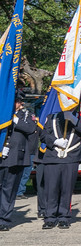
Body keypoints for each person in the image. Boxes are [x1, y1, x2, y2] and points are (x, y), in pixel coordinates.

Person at [38, 106, 81, 229]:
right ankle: (50, 217)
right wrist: (55, 141)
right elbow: (44, 135)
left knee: (67, 189)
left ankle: (64, 217)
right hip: (53, 157)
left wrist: (73, 119)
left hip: (71, 157)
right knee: (51, 189)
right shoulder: (52, 117)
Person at [0, 92, 38, 230]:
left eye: (19, 101)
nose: (19, 104)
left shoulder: (25, 115)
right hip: (1, 155)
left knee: (9, 189)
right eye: (16, 101)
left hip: (15, 157)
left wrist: (15, 119)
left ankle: (4, 219)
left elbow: (31, 128)